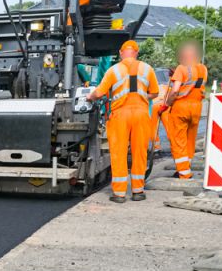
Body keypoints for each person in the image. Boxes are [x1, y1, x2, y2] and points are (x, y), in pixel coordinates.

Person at [89, 39, 159, 203]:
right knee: (140, 153)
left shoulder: (114, 70)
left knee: (118, 153)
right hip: (141, 114)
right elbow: (155, 93)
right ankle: (138, 191)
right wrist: (141, 96)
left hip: (120, 115)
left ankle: (119, 193)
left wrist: (89, 96)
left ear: (121, 53)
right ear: (136, 53)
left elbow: (99, 93)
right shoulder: (147, 69)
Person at [157, 42, 208, 180]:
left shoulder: (181, 68)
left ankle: (184, 173)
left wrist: (166, 105)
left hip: (181, 107)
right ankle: (185, 167)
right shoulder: (203, 69)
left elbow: (174, 91)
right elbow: (194, 84)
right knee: (190, 140)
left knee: (178, 140)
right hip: (197, 107)